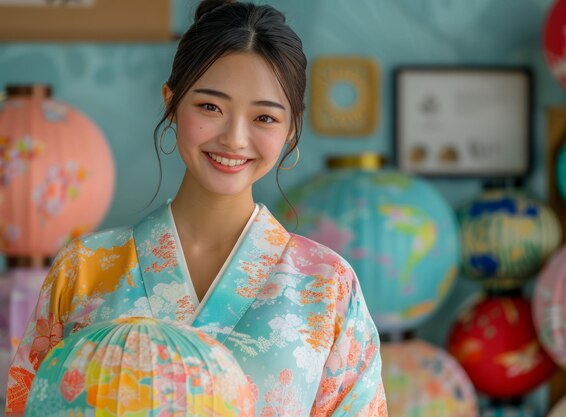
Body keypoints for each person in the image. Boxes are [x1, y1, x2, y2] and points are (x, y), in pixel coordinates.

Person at [5, 1, 388, 416]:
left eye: (264, 118)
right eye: (210, 107)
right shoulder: (85, 270)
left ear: (292, 127)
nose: (235, 139)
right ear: (172, 102)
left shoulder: (328, 286)